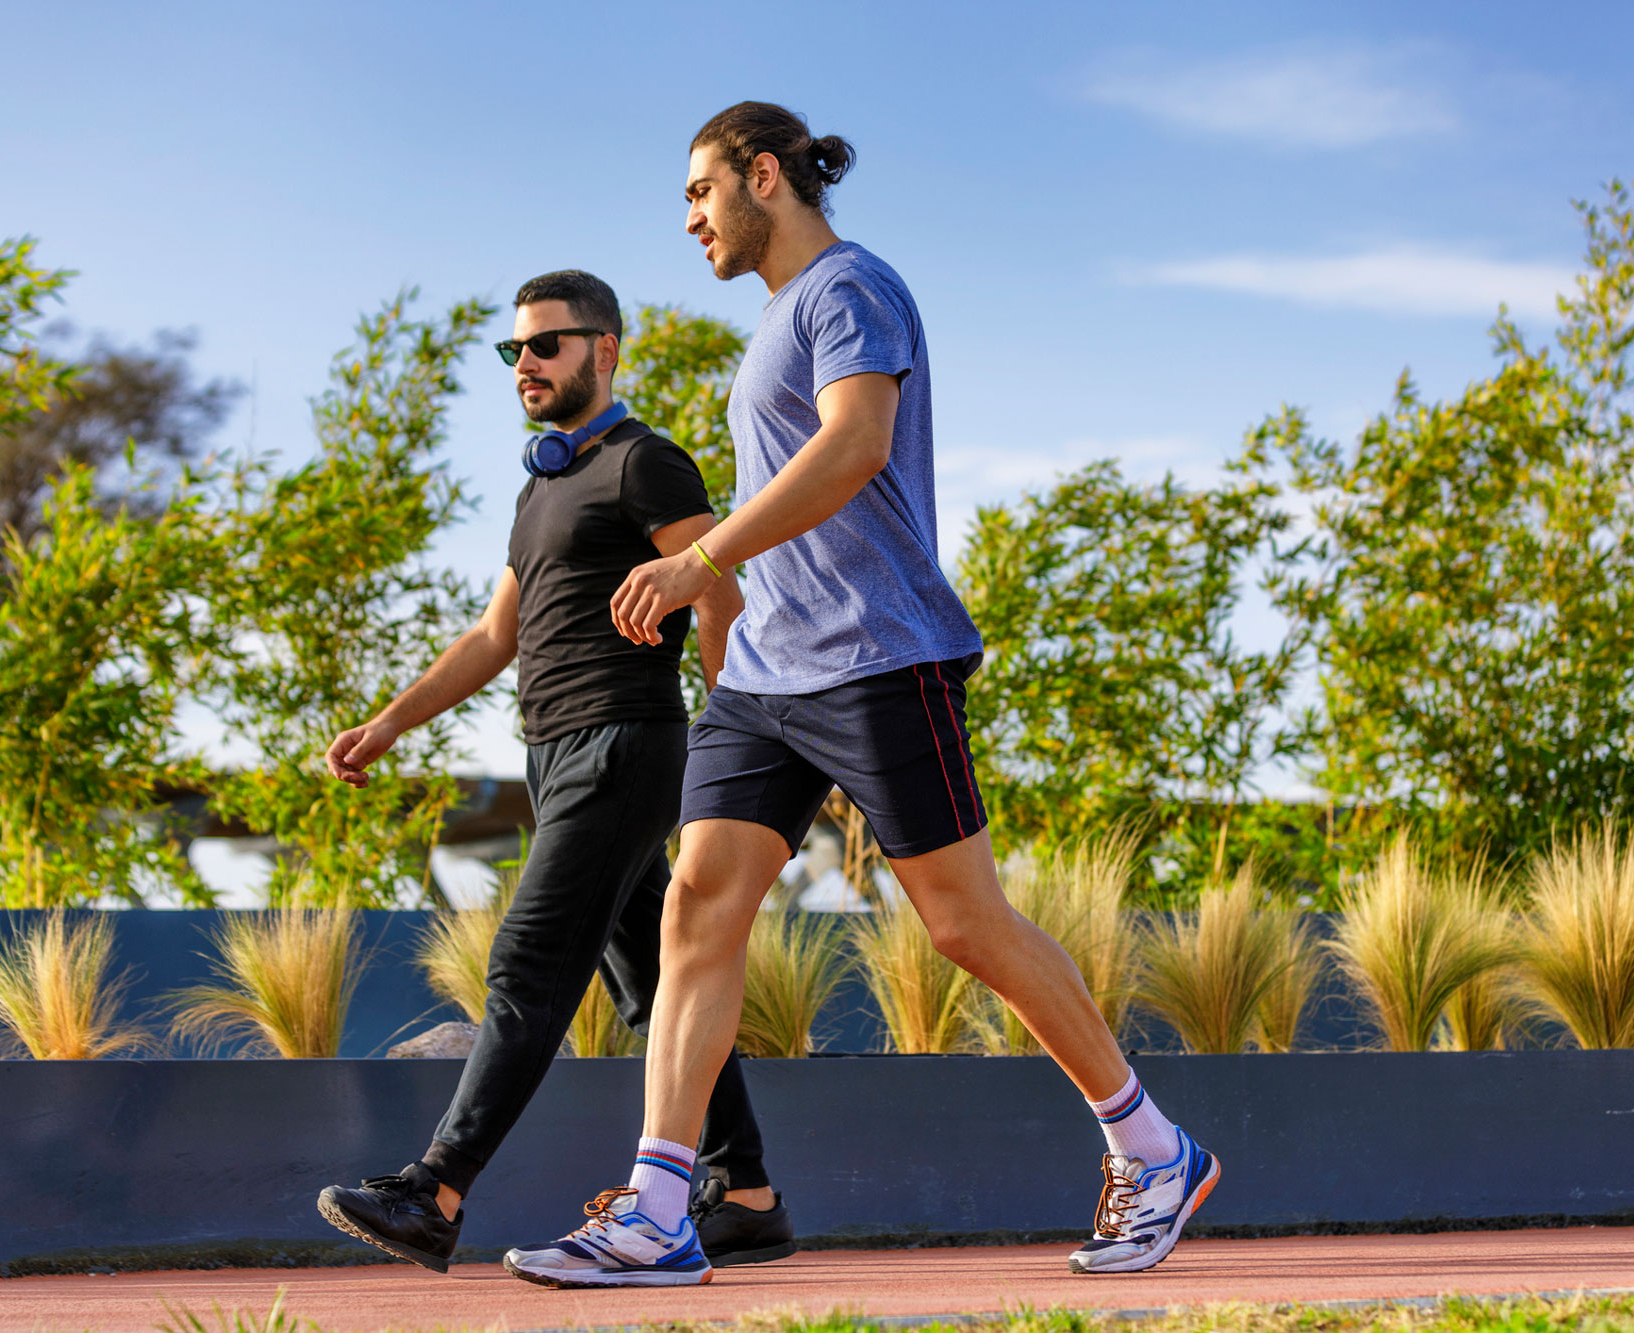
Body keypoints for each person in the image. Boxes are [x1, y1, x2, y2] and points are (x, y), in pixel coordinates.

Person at [502, 105, 1218, 1290]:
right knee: (697, 906)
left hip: (878, 655)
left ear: (762, 175)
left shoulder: (848, 289)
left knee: (961, 923)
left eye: (698, 191)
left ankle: (1152, 1147)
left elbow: (854, 446)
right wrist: (727, 622)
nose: (688, 218)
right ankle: (661, 1206)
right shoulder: (775, 321)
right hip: (767, 676)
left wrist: (701, 562)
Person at [316, 269, 795, 1275]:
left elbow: (716, 595)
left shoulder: (643, 463)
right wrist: (389, 723)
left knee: (527, 968)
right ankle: (742, 1189)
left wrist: (730, 739)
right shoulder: (542, 486)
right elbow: (498, 633)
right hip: (555, 755)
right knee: (652, 976)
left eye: (546, 345)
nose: (525, 364)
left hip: (623, 745)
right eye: (514, 351)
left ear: (604, 349)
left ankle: (435, 1190)